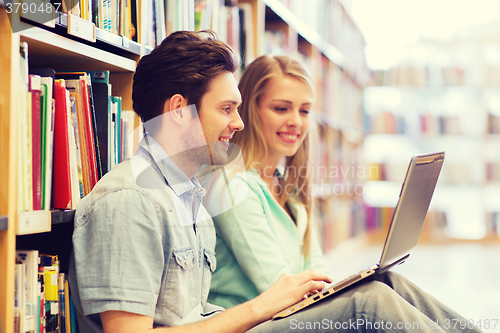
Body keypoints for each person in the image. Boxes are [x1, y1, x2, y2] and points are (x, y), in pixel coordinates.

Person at [68, 30, 473, 333]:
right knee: (367, 305)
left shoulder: (184, 193)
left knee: (386, 283)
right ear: (178, 110)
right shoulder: (130, 200)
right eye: (226, 109)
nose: (238, 123)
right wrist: (260, 307)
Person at [207, 54, 483, 333]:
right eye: (281, 108)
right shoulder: (234, 187)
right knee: (370, 301)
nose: (296, 122)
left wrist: (340, 289)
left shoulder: (288, 187)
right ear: (250, 111)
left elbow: (316, 272)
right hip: (254, 324)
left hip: (288, 315)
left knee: (388, 282)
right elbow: (279, 288)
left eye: (304, 111)